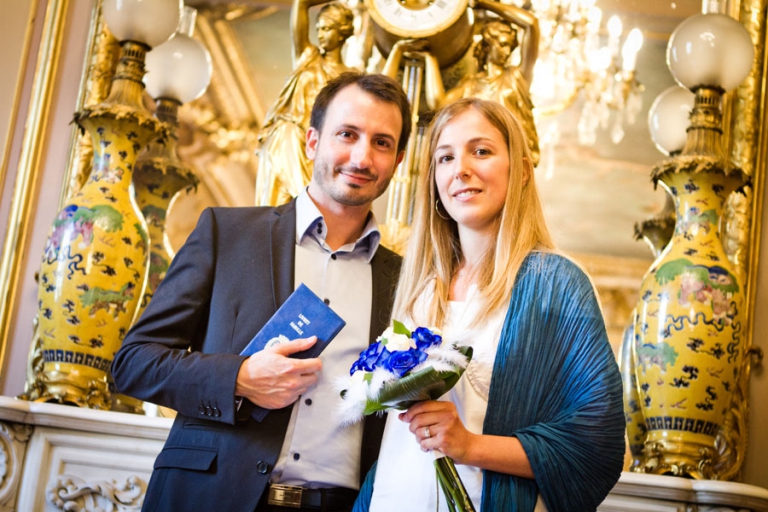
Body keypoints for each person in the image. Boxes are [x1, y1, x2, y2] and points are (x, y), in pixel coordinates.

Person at [111, 72, 412, 512]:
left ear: (398, 159)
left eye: (382, 143)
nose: (362, 157)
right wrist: (239, 378)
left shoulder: (406, 278)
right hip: (210, 498)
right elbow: (133, 363)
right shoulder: (226, 233)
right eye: (347, 134)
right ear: (312, 141)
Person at [355, 98, 624, 511]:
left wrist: (469, 445)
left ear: (521, 171)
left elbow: (595, 445)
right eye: (445, 157)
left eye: (480, 151)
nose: (460, 168)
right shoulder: (419, 292)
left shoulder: (556, 286)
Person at [407, 0, 541, 166]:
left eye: (510, 47)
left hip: (511, 159)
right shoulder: (470, 84)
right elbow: (439, 104)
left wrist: (485, 3)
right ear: (489, 45)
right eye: (503, 45)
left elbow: (531, 24)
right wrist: (430, 59)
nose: (507, 52)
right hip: (479, 160)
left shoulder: (516, 78)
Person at [256, 0, 355, 206]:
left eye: (326, 29)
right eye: (318, 28)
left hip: (321, 148)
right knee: (274, 204)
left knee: (313, 209)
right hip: (288, 137)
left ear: (342, 32)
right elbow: (301, 4)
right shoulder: (307, 57)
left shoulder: (350, 77)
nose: (319, 34)